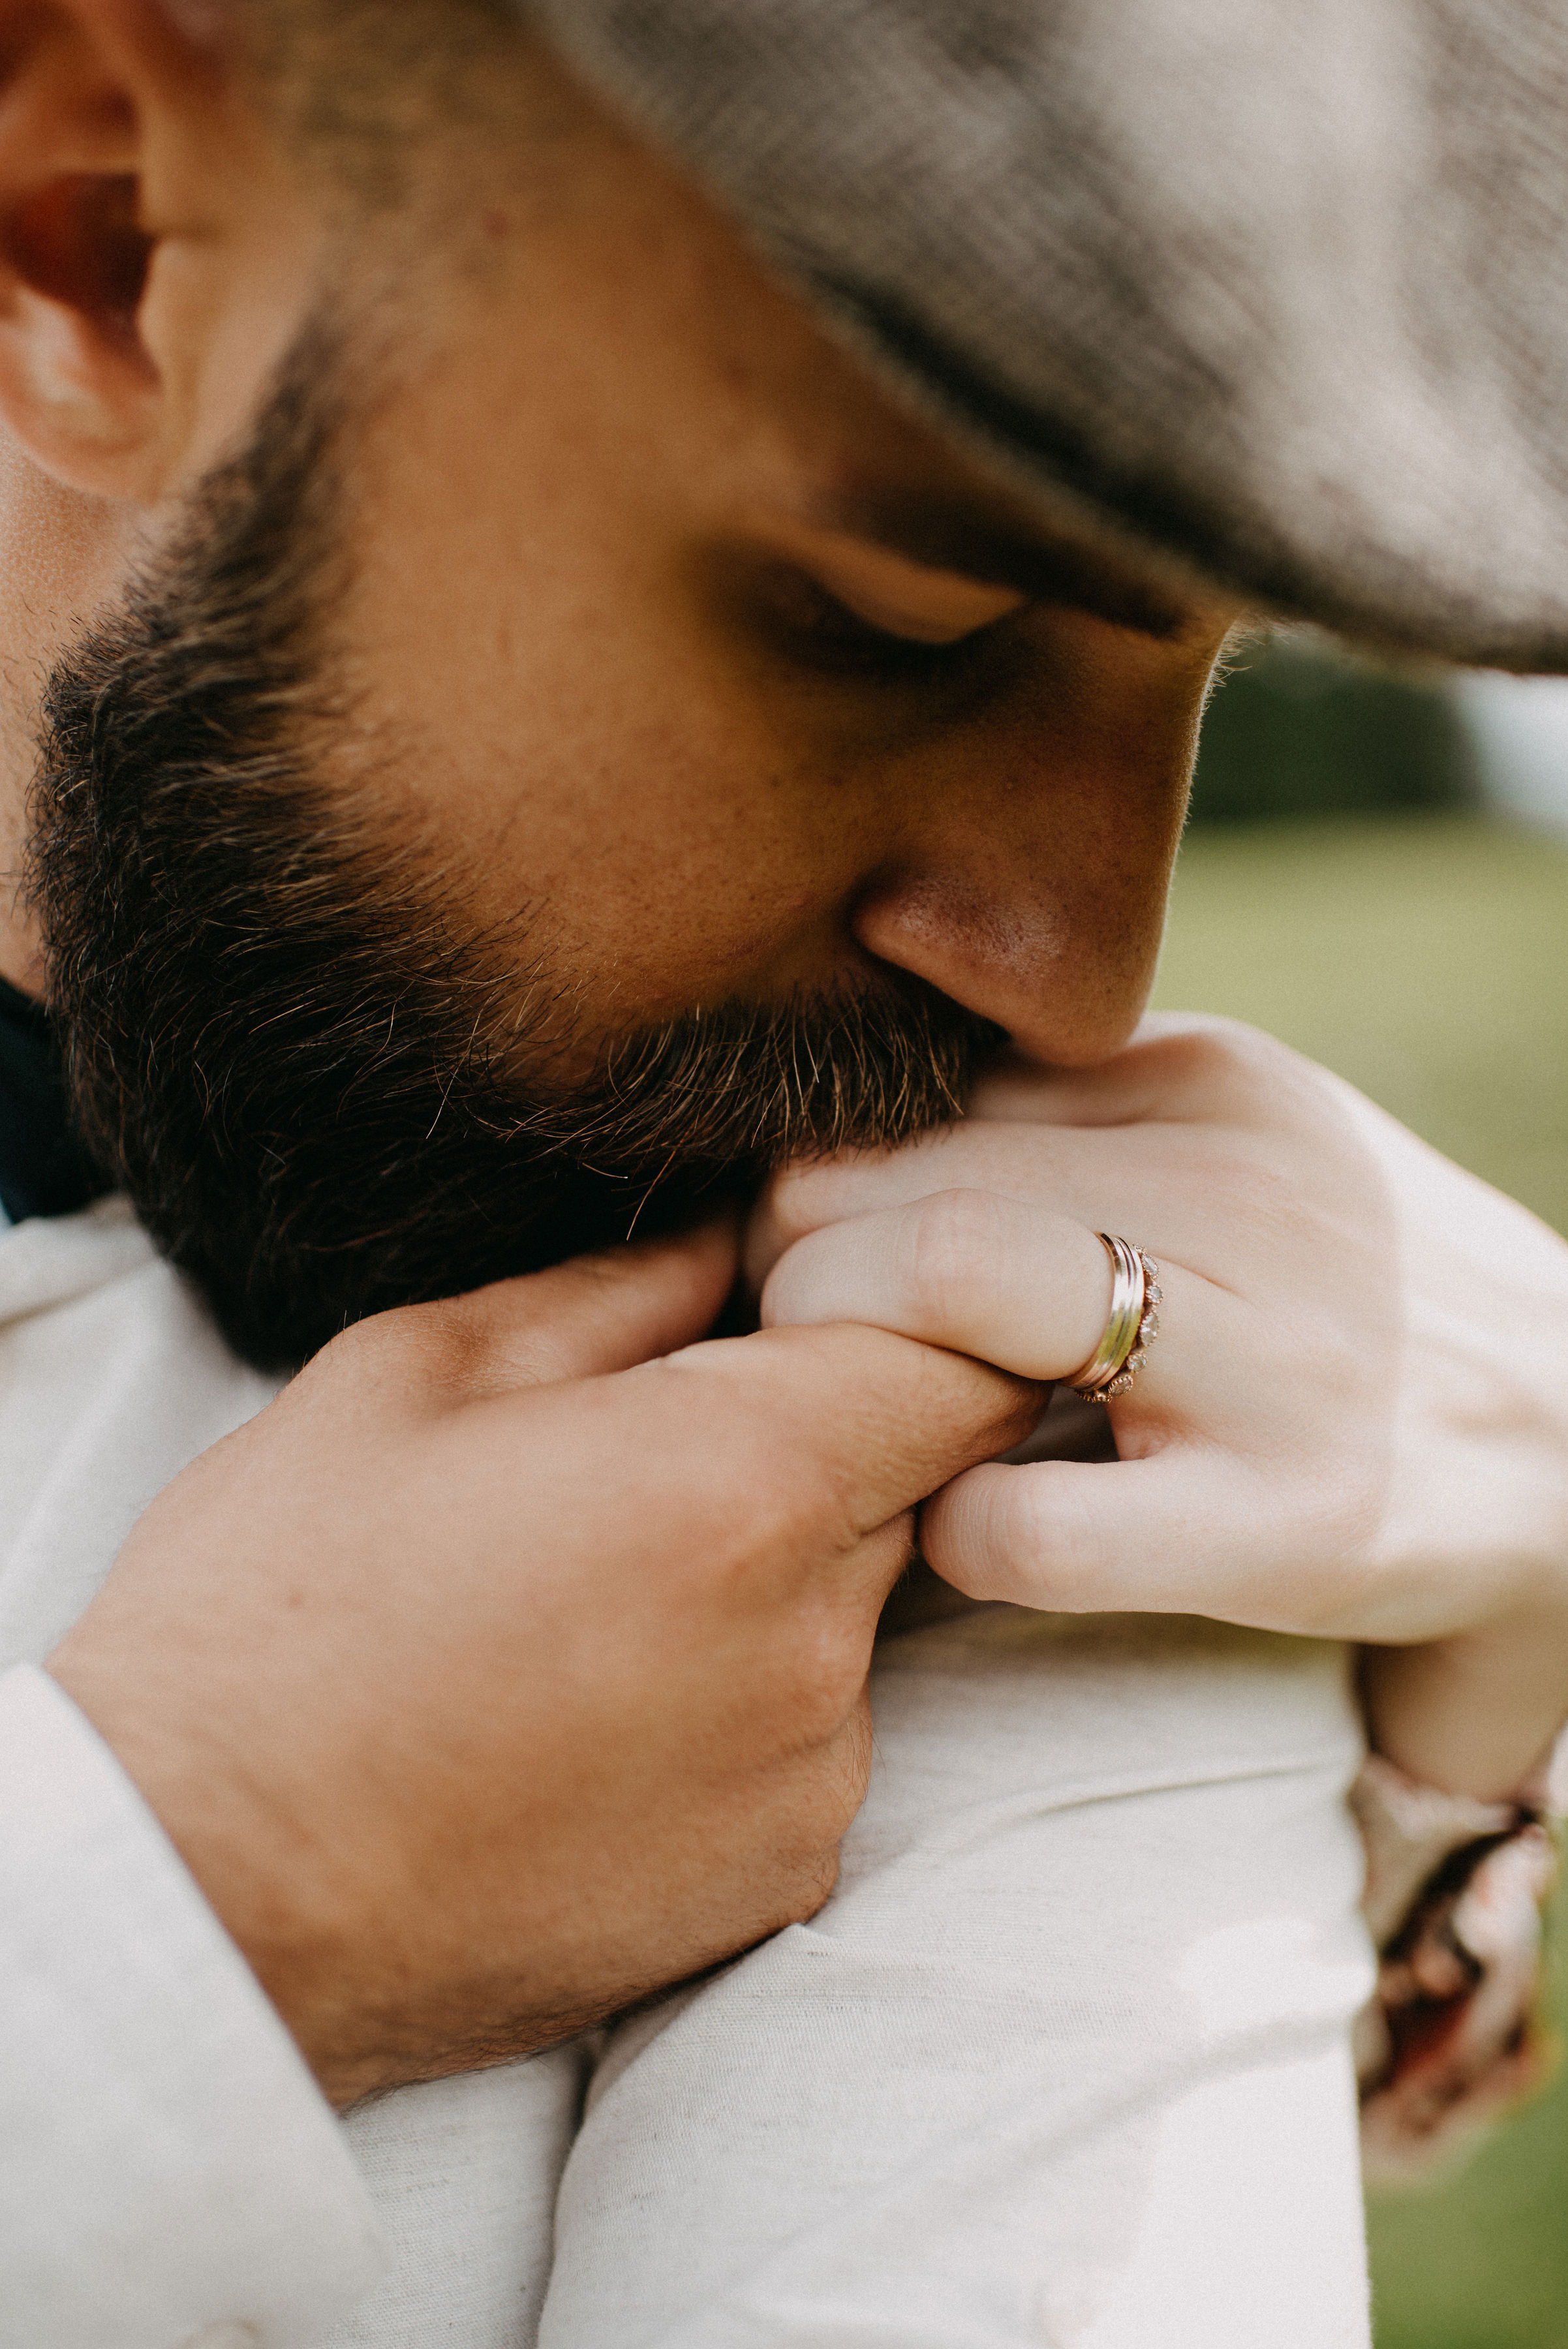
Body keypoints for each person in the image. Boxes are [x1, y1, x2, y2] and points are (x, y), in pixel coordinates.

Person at [2, 3, 1567, 2342]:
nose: (1079, 971)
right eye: (888, 624)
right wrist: (205, 1893)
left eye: (1222, 659)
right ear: (100, 237)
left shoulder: (928, 1439)